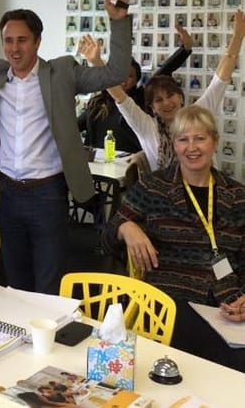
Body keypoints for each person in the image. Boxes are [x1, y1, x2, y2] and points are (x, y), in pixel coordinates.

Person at [0, 0, 132, 294]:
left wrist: (119, 20)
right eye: (8, 41)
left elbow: (115, 72)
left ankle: (46, 339)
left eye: (22, 40)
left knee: (48, 281)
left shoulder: (63, 72)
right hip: (9, 193)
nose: (14, 48)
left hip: (48, 194)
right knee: (14, 280)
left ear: (38, 41)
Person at [102, 105, 245, 372]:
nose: (192, 147)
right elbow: (107, 236)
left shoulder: (237, 195)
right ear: (175, 145)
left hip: (227, 302)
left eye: (200, 138)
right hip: (169, 299)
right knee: (197, 361)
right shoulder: (153, 187)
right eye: (183, 139)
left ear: (215, 142)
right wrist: (126, 227)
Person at [105, 10, 245, 171]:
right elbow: (120, 98)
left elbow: (219, 81)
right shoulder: (146, 127)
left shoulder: (198, 113)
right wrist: (96, 62)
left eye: (170, 95)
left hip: (207, 189)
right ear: (152, 108)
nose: (166, 103)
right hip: (164, 194)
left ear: (180, 97)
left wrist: (238, 37)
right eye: (158, 100)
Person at [77, 25, 193, 154]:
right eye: (120, 75)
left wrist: (185, 49)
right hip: (96, 165)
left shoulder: (141, 98)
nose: (123, 80)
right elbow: (74, 126)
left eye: (130, 76)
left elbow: (163, 71)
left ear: (136, 79)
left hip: (129, 165)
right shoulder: (97, 103)